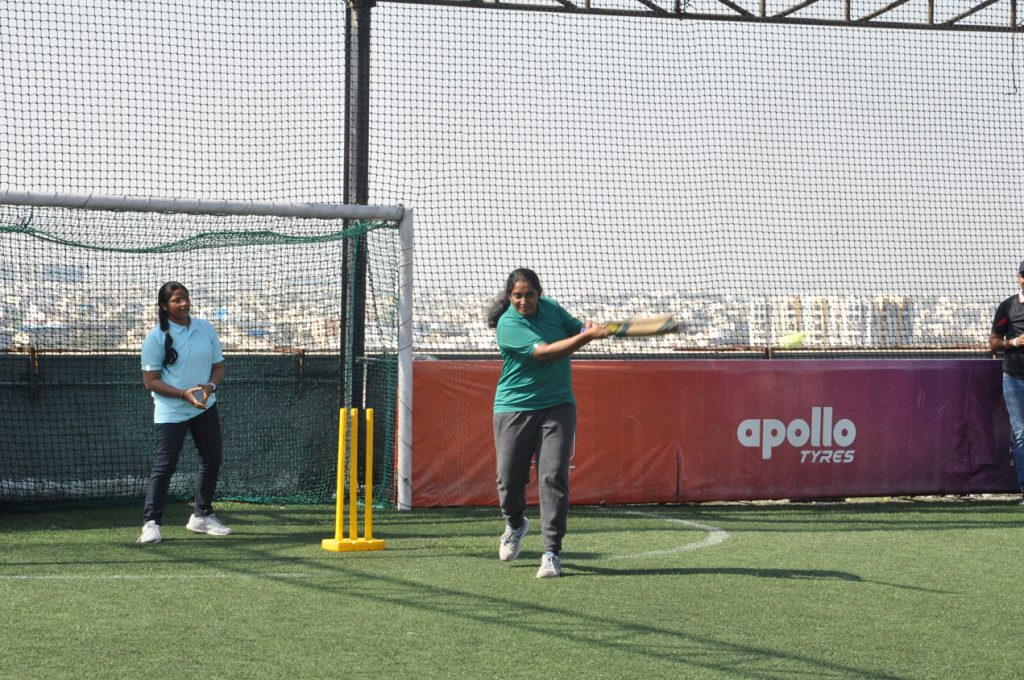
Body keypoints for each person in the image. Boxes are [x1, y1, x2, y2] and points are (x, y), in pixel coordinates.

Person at [486, 268, 609, 577]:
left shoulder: (552, 307)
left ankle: (551, 552)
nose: (524, 301)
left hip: (558, 405)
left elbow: (574, 327)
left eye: (529, 294)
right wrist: (587, 337)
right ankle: (515, 523)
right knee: (509, 480)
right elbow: (545, 353)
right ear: (509, 297)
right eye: (517, 296)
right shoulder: (508, 324)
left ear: (539, 293)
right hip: (514, 407)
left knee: (552, 476)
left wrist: (587, 327)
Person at [137, 281, 233, 544]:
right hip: (171, 412)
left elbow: (219, 367)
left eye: (186, 298)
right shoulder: (155, 337)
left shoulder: (205, 328)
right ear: (164, 306)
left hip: (204, 407)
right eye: (177, 300)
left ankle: (202, 516)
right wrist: (183, 394)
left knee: (212, 458)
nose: (184, 304)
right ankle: (151, 523)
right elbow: (150, 381)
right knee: (164, 466)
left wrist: (210, 387)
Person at [990, 260, 1024, 506]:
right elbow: (993, 343)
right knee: (1021, 434)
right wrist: (1014, 343)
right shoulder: (1008, 307)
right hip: (1014, 378)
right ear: (1019, 278)